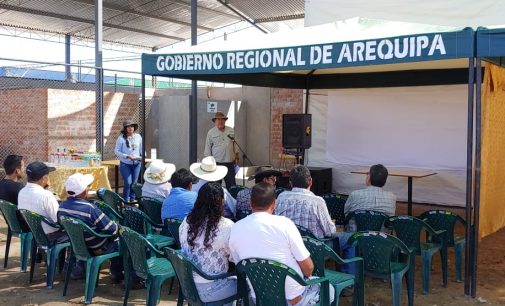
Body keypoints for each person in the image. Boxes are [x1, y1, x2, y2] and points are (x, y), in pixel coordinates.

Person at [229, 182, 334, 305]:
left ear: (250, 203)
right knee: (330, 289)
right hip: (294, 299)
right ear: (274, 204)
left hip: (260, 298)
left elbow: (241, 266)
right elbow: (308, 269)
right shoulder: (285, 224)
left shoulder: (235, 228)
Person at [58, 173, 132, 284]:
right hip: (96, 246)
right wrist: (121, 228)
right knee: (122, 242)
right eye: (87, 186)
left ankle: (80, 269)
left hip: (77, 245)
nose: (88, 188)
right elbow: (111, 229)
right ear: (84, 191)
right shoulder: (89, 209)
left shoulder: (62, 206)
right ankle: (117, 274)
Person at [179, 182, 236, 304]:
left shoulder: (186, 222)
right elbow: (235, 257)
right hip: (213, 288)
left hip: (188, 286)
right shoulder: (227, 226)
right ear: (221, 202)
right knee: (249, 287)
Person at [18, 162, 67, 242]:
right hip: (51, 235)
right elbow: (58, 220)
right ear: (44, 179)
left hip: (34, 233)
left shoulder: (21, 192)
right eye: (48, 176)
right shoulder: (46, 195)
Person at [344, 164, 396, 232]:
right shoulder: (392, 197)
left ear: (369, 178)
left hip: (355, 238)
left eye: (368, 174)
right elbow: (390, 221)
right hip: (381, 239)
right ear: (384, 181)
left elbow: (346, 213)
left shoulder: (354, 194)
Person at [203, 111, 238, 188]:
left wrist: (236, 156)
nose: (220, 121)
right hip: (216, 164)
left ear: (225, 120)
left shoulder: (231, 130)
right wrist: (208, 163)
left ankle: (231, 199)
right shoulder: (211, 132)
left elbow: (235, 144)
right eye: (218, 120)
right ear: (215, 121)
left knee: (232, 186)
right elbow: (208, 148)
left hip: (229, 163)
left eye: (222, 119)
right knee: (215, 186)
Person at [115, 119, 143, 202]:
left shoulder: (138, 137)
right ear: (125, 128)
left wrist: (143, 157)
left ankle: (132, 200)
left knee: (134, 184)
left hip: (137, 163)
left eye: (132, 126)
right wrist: (126, 156)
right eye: (128, 127)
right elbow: (116, 151)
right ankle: (125, 201)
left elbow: (141, 148)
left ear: (134, 128)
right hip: (125, 164)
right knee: (128, 182)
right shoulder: (121, 138)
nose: (130, 128)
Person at [0, 154, 29, 231]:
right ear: (17, 170)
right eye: (23, 167)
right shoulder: (18, 188)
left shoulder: (1, 184)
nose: (24, 170)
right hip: (24, 225)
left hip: (11, 223)